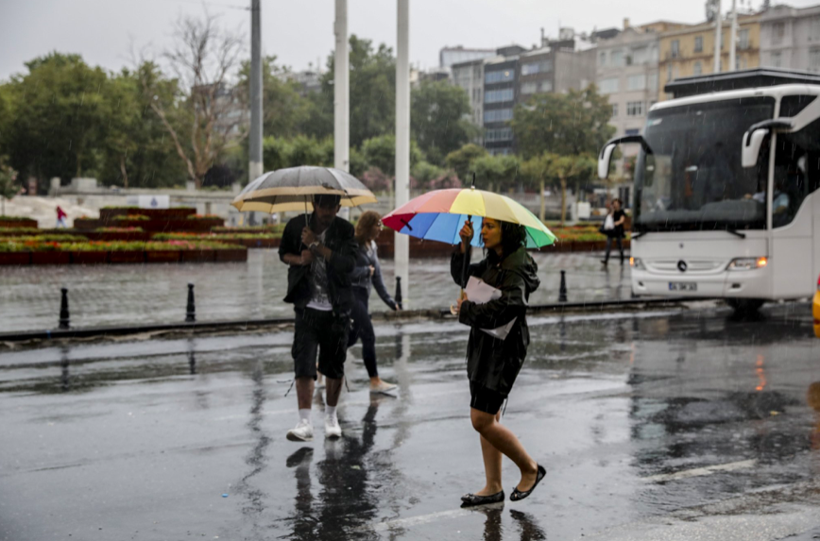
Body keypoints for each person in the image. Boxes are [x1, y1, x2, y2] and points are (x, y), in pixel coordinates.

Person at [452, 217, 546, 506]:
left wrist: (468, 312)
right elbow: (463, 278)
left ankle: (530, 468)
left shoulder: (516, 264)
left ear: (508, 229)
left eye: (490, 226)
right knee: (489, 417)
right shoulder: (494, 259)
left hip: (503, 350)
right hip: (485, 343)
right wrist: (464, 246)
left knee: (480, 419)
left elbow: (511, 305)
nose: (483, 231)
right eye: (483, 226)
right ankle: (493, 485)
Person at [278, 193, 357, 442]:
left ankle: (331, 417)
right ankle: (304, 422)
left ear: (338, 207)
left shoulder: (344, 230)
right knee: (303, 363)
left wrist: (317, 246)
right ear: (314, 204)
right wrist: (300, 259)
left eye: (332, 207)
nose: (326, 212)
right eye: (322, 206)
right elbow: (283, 253)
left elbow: (348, 264)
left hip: (336, 308)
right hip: (306, 307)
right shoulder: (296, 225)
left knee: (334, 366)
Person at [348, 210, 400, 394]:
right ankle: (375, 381)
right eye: (378, 225)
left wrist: (390, 301)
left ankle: (323, 362)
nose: (380, 229)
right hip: (351, 295)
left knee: (352, 337)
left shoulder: (372, 246)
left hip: (363, 296)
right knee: (368, 335)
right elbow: (344, 271)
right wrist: (364, 271)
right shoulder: (353, 244)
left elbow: (377, 276)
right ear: (368, 225)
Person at [601, 198, 626, 266]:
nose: (615, 204)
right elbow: (609, 216)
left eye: (617, 203)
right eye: (614, 203)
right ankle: (606, 260)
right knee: (608, 245)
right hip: (611, 231)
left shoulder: (621, 211)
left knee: (619, 245)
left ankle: (622, 259)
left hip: (618, 230)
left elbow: (622, 220)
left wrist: (617, 222)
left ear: (619, 204)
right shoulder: (612, 211)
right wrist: (612, 210)